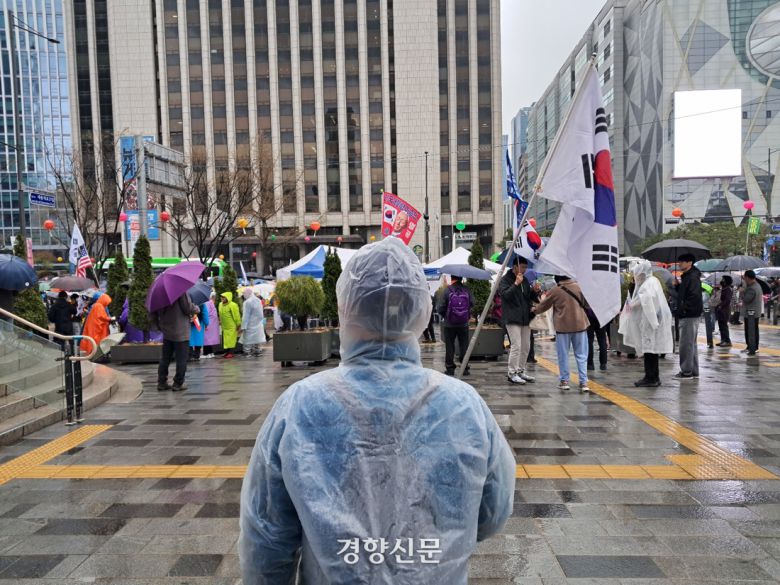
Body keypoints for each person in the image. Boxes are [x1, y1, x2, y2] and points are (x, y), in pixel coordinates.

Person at [239, 237, 515, 585]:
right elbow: (492, 511)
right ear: (420, 309)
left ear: (347, 308)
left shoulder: (300, 407)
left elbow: (267, 540)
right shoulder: (464, 406)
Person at [619, 261, 674, 387]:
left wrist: (631, 305)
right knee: (651, 350)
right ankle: (653, 377)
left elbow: (646, 300)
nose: (635, 276)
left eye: (636, 274)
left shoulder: (648, 284)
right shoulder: (652, 281)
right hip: (651, 321)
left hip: (650, 322)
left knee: (649, 350)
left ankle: (651, 378)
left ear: (641, 273)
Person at [532, 275, 590, 392]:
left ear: (557, 278)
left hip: (563, 327)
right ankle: (583, 383)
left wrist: (534, 310)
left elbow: (543, 306)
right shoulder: (579, 287)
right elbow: (587, 304)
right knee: (581, 355)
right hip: (580, 325)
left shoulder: (555, 291)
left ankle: (564, 381)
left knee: (563, 355)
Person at [499, 256, 539, 385]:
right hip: (512, 318)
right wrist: (516, 283)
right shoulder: (505, 279)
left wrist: (535, 292)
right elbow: (505, 295)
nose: (524, 270)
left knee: (526, 346)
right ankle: (512, 373)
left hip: (525, 318)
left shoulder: (525, 280)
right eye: (522, 267)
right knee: (516, 346)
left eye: (526, 267)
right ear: (515, 267)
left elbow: (528, 297)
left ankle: (521, 370)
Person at [151, 292, 198, 391]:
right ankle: (178, 383)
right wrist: (196, 308)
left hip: (167, 331)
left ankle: (162, 382)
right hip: (181, 332)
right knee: (181, 359)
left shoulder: (158, 294)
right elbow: (187, 308)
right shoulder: (180, 291)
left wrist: (158, 325)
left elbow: (153, 312)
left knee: (165, 358)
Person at [436, 275, 474, 376]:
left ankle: (450, 369)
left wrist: (446, 316)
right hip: (463, 323)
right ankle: (464, 368)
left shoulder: (447, 290)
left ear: (452, 278)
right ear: (461, 278)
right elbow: (472, 303)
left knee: (450, 346)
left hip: (449, 324)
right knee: (464, 345)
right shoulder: (466, 289)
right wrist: (466, 314)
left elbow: (440, 307)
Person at [674, 253, 702, 379]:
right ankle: (693, 370)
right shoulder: (688, 276)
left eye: (682, 262)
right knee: (691, 344)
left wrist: (684, 310)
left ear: (689, 263)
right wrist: (678, 286)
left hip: (689, 315)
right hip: (691, 314)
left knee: (686, 344)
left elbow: (693, 297)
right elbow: (686, 294)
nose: (680, 264)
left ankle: (686, 371)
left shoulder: (692, 277)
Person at [741, 270, 762, 356]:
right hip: (753, 313)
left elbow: (746, 299)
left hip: (751, 313)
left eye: (745, 278)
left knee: (751, 331)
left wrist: (742, 292)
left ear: (747, 277)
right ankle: (751, 346)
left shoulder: (752, 288)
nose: (744, 280)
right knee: (752, 330)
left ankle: (753, 347)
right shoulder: (756, 285)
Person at [240, 288, 264, 357]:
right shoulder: (258, 300)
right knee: (257, 337)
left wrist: (243, 326)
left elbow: (245, 315)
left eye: (244, 293)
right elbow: (261, 314)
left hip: (249, 323)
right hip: (258, 323)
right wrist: (259, 321)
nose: (243, 295)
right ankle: (257, 351)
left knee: (247, 338)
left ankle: (247, 352)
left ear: (247, 293)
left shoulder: (247, 302)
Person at [218, 291, 242, 359]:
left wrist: (238, 324)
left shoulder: (233, 305)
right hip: (224, 326)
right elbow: (220, 313)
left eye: (223, 297)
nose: (222, 298)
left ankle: (231, 353)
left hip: (231, 326)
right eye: (221, 297)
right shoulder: (220, 304)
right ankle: (226, 352)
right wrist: (219, 320)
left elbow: (236, 315)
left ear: (227, 298)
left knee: (231, 340)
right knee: (225, 340)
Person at [715, 275, 733, 347]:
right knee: (721, 326)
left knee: (724, 326)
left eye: (723, 279)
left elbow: (727, 300)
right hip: (721, 310)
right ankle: (723, 340)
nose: (721, 281)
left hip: (725, 310)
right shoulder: (724, 289)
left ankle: (727, 341)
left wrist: (720, 305)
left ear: (726, 281)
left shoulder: (728, 289)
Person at [202, 292, 221, 358]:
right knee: (209, 339)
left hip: (208, 323)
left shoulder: (207, 302)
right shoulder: (212, 303)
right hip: (213, 323)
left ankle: (206, 353)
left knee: (206, 339)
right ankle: (211, 353)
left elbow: (205, 313)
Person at [702, 282, 715, 349]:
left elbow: (702, 301)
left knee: (708, 323)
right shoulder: (707, 293)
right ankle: (709, 342)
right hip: (706, 309)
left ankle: (710, 343)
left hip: (706, 309)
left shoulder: (705, 294)